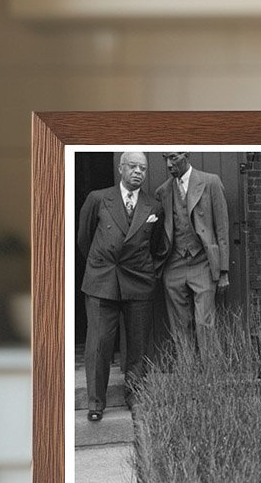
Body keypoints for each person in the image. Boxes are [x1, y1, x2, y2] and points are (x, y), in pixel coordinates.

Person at [77, 150, 164, 422]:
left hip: (138, 281)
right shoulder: (98, 199)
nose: (139, 172)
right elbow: (84, 238)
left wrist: (147, 272)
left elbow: (159, 247)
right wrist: (100, 266)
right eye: (133, 167)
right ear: (121, 169)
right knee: (99, 343)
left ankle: (135, 396)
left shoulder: (154, 207)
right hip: (102, 281)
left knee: (137, 345)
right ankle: (96, 402)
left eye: (143, 168)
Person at [155, 151, 230, 351]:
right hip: (174, 264)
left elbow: (222, 229)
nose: (169, 164)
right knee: (179, 325)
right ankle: (187, 374)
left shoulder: (210, 182)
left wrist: (223, 271)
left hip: (203, 262)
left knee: (205, 322)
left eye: (173, 158)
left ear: (186, 155)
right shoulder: (163, 191)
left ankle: (210, 376)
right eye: (165, 159)